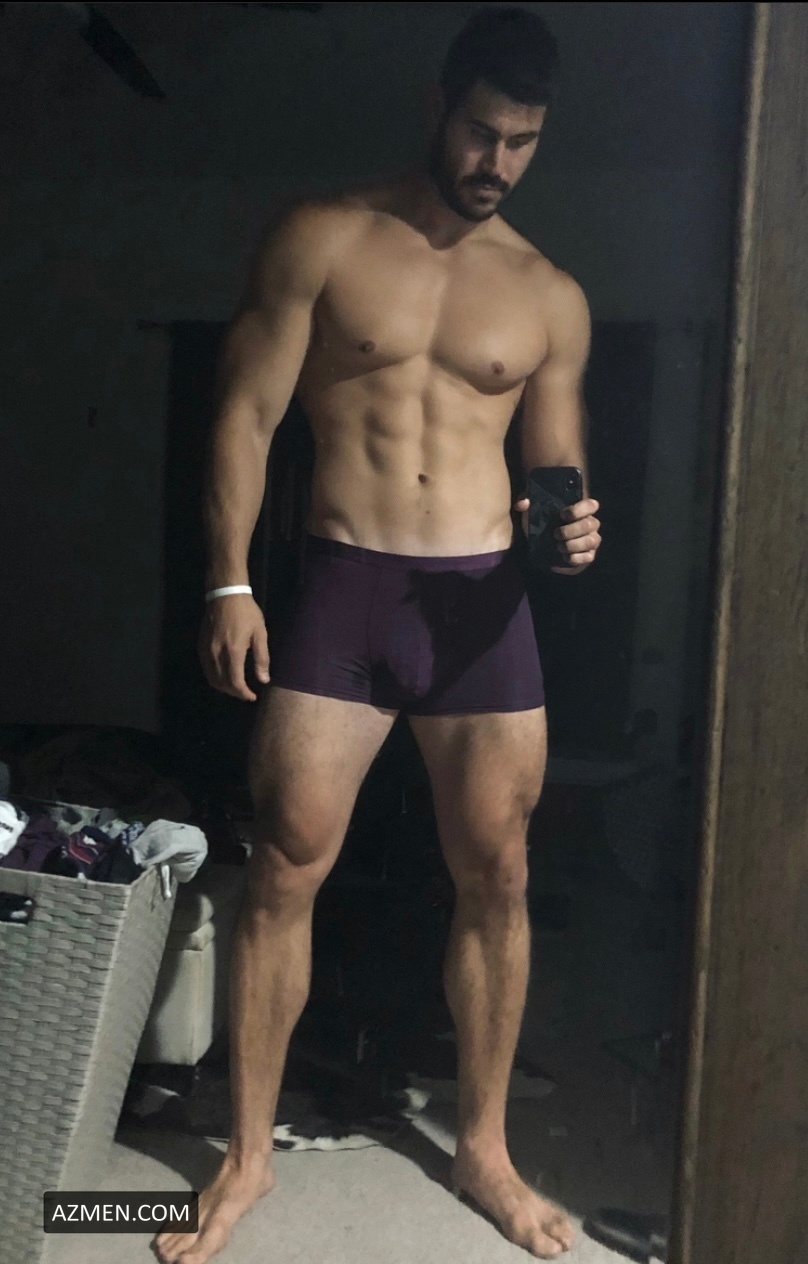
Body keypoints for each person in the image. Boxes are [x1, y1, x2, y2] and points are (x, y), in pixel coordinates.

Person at [155, 7, 602, 1262]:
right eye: (482, 130)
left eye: (522, 142)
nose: (497, 161)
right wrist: (227, 581)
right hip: (346, 586)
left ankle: (484, 1149)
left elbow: (554, 475)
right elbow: (245, 417)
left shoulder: (550, 295)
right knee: (286, 863)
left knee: (498, 874)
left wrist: (569, 530)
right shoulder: (324, 236)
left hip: (479, 607)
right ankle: (246, 1158)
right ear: (436, 106)